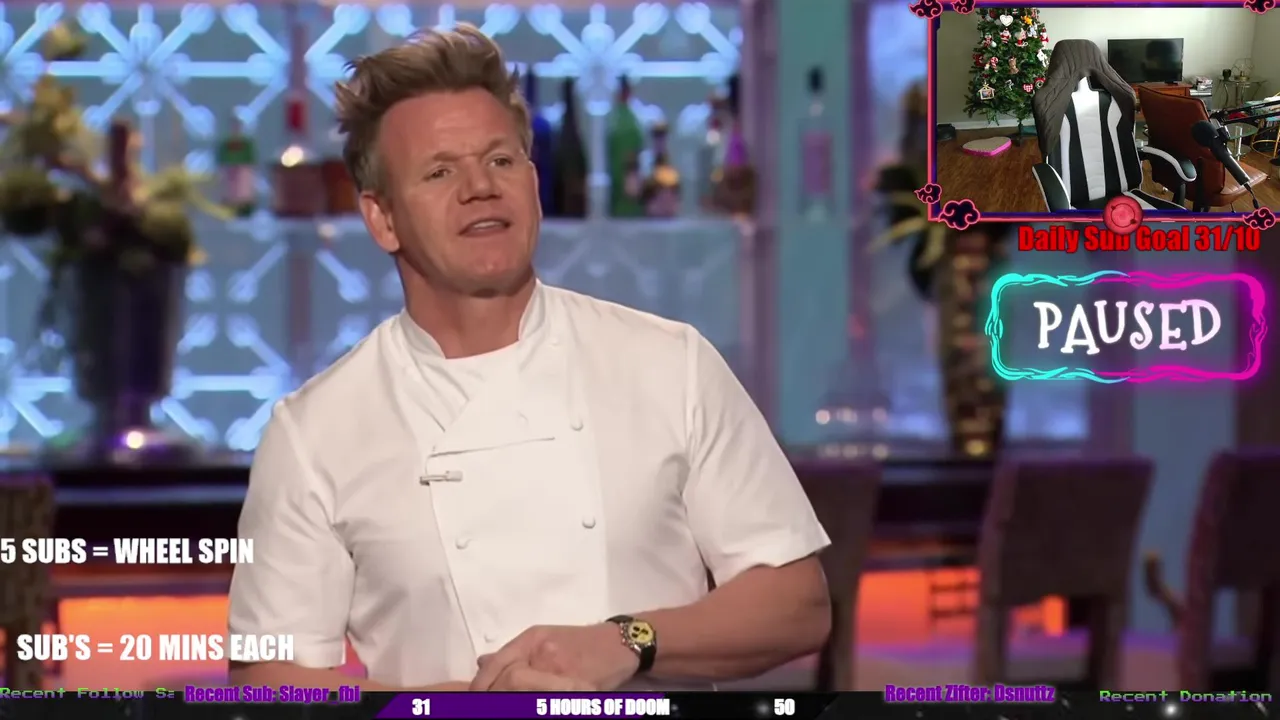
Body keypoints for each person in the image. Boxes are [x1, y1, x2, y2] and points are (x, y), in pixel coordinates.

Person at [227, 23, 832, 692]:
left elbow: (797, 602)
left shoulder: (670, 365)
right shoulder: (314, 432)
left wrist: (627, 642)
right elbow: (268, 680)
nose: (479, 187)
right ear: (382, 219)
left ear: (534, 183)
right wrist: (462, 708)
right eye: (439, 171)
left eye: (501, 160)